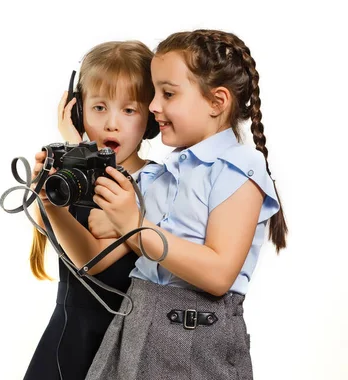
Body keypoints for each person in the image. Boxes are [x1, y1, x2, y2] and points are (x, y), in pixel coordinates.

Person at [85, 29, 288, 380]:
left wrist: (132, 224)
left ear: (217, 102)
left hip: (194, 341)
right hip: (134, 325)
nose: (153, 106)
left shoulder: (239, 167)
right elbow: (102, 229)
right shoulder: (161, 173)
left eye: (167, 93)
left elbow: (218, 274)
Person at [23, 40, 160, 380]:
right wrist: (66, 160)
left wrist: (54, 206)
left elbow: (91, 261)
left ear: (151, 119)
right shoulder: (67, 178)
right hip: (67, 338)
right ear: (79, 111)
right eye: (99, 108)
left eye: (129, 111)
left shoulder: (153, 182)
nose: (112, 124)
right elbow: (45, 222)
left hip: (121, 343)